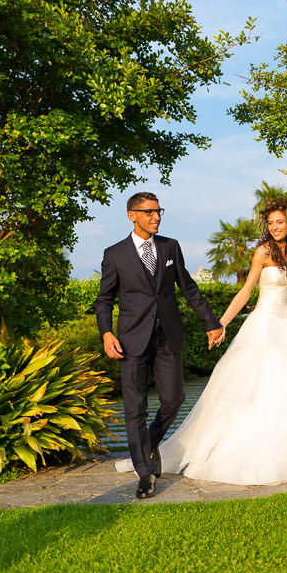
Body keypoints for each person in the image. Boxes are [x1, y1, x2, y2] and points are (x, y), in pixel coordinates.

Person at [117, 197, 287, 485]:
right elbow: (245, 291)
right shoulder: (263, 252)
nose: (275, 227)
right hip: (264, 327)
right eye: (271, 223)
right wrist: (220, 324)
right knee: (258, 391)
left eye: (280, 222)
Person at [96, 192, 225, 499]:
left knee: (174, 399)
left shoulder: (170, 247)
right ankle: (144, 473)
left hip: (168, 335)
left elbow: (189, 288)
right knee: (134, 409)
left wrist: (211, 322)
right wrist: (106, 333)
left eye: (158, 211)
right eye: (149, 212)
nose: (156, 216)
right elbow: (104, 299)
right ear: (132, 215)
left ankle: (148, 443)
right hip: (130, 339)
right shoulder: (114, 254)